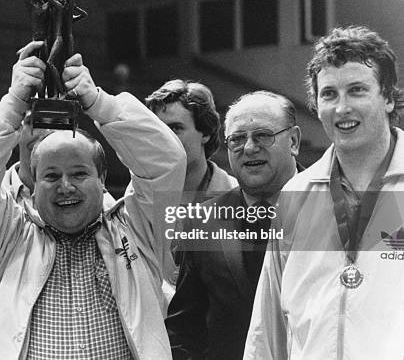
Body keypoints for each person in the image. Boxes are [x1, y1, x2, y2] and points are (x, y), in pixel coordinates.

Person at [0, 40, 186, 358]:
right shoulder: (9, 238)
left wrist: (100, 103)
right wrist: (13, 103)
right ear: (33, 185)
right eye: (51, 176)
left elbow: (166, 161)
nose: (65, 186)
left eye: (78, 173)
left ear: (102, 180)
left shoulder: (138, 228)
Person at [244, 26, 404, 359]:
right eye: (329, 94)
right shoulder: (296, 195)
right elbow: (267, 324)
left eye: (357, 90)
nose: (341, 107)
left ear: (388, 98)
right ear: (315, 104)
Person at [166, 91, 302, 360]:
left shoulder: (333, 209)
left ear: (294, 141)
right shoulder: (200, 222)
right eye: (238, 139)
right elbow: (184, 331)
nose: (249, 148)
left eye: (263, 135)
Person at [146, 80, 238, 287]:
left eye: (176, 128)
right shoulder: (139, 195)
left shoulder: (237, 199)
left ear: (205, 132)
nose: (165, 138)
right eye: (158, 129)